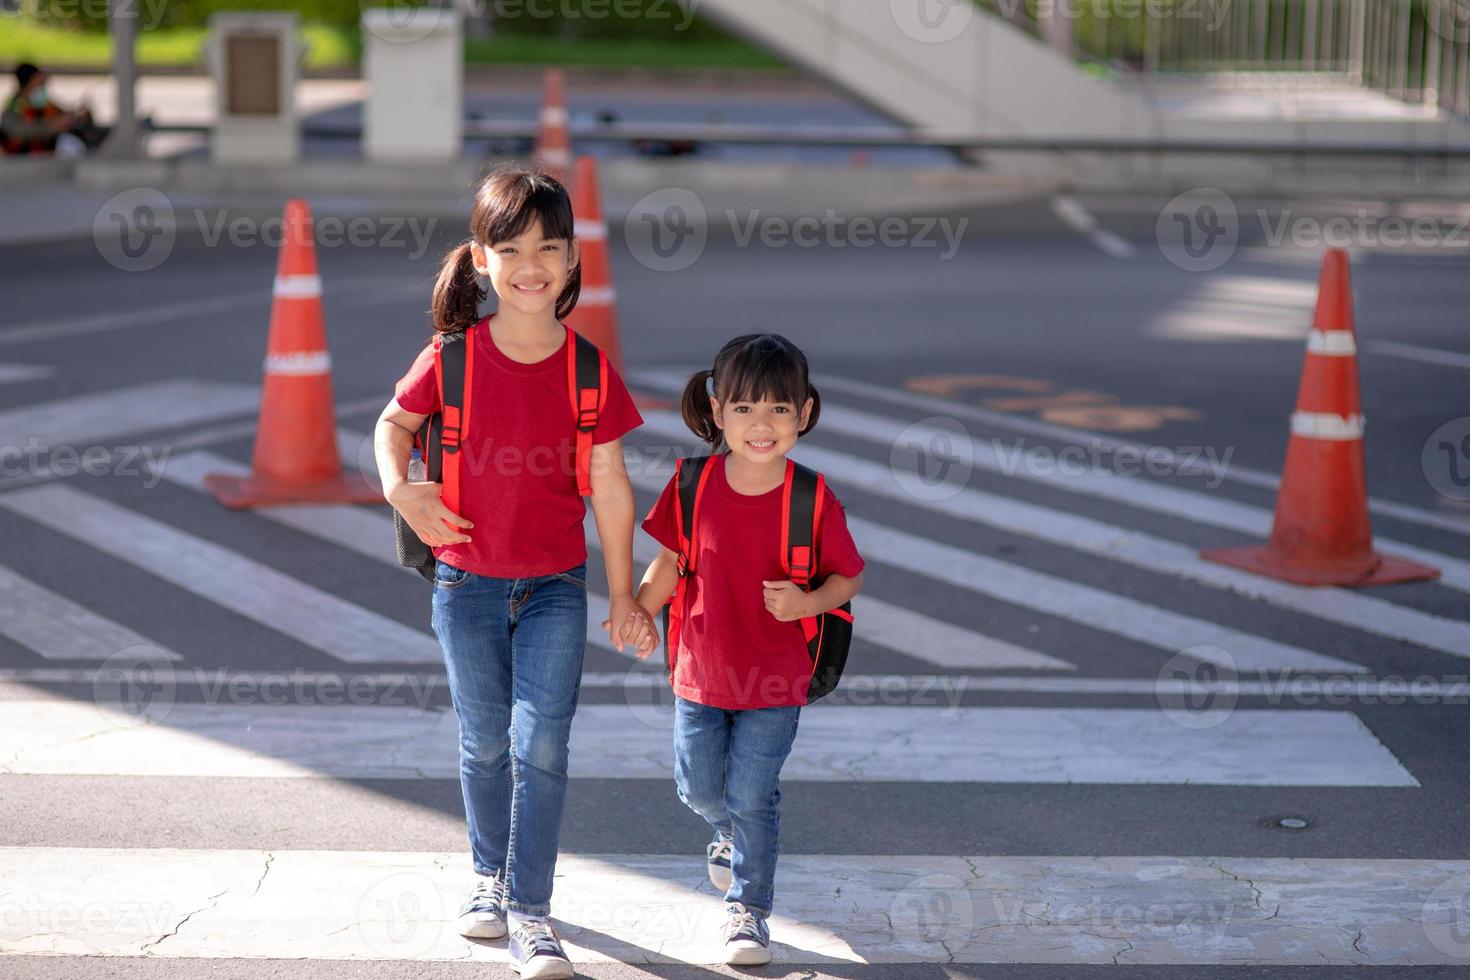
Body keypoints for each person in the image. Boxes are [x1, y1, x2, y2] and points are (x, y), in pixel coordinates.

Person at [374, 166, 659, 980]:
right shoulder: (452, 356)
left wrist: (621, 595)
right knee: (483, 745)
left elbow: (609, 482)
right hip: (464, 585)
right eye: (511, 247)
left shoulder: (586, 369)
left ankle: (532, 913)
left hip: (555, 589)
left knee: (541, 744)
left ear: (573, 263)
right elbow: (392, 427)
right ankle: (486, 882)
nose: (530, 263)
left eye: (550, 247)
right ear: (479, 259)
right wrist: (401, 488)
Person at [633, 334, 865, 965]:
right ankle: (725, 831)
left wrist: (807, 604)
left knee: (753, 793)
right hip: (700, 669)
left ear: (805, 414)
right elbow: (667, 563)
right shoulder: (691, 484)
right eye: (744, 410)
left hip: (777, 676)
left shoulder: (810, 497)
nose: (761, 425)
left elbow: (847, 577)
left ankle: (747, 910)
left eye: (779, 411)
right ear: (716, 411)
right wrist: (638, 609)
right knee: (700, 787)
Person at [2, 64, 108, 157]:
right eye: (38, 84)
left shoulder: (47, 105)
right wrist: (53, 125)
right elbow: (20, 131)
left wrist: (78, 116)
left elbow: (65, 115)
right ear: (26, 85)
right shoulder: (13, 109)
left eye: (43, 84)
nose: (42, 88)